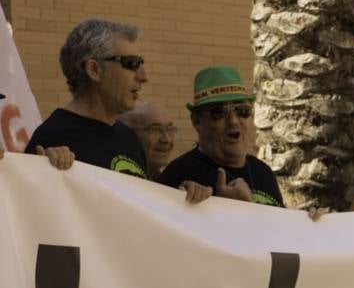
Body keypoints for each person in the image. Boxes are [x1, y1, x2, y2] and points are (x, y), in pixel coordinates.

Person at [17, 19, 209, 203]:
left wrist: (181, 198)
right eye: (132, 64)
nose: (143, 76)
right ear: (94, 70)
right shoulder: (53, 137)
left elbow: (141, 207)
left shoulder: (129, 137)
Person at [157, 66, 286, 207]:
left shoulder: (263, 172)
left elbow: (280, 227)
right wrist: (224, 207)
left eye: (242, 111)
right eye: (219, 112)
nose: (233, 121)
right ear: (197, 121)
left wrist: (309, 221)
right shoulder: (179, 175)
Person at [117, 101, 177, 180]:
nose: (166, 140)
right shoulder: (118, 180)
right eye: (155, 130)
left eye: (170, 129)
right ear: (128, 133)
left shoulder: (168, 182)